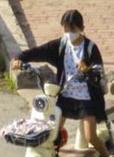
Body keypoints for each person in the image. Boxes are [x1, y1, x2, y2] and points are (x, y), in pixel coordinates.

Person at [13, 10, 107, 148]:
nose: (69, 32)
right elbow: (39, 51)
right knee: (52, 133)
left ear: (81, 29)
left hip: (87, 99)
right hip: (66, 95)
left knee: (91, 136)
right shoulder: (61, 46)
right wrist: (19, 58)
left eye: (72, 28)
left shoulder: (90, 48)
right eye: (66, 28)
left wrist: (87, 70)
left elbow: (99, 72)